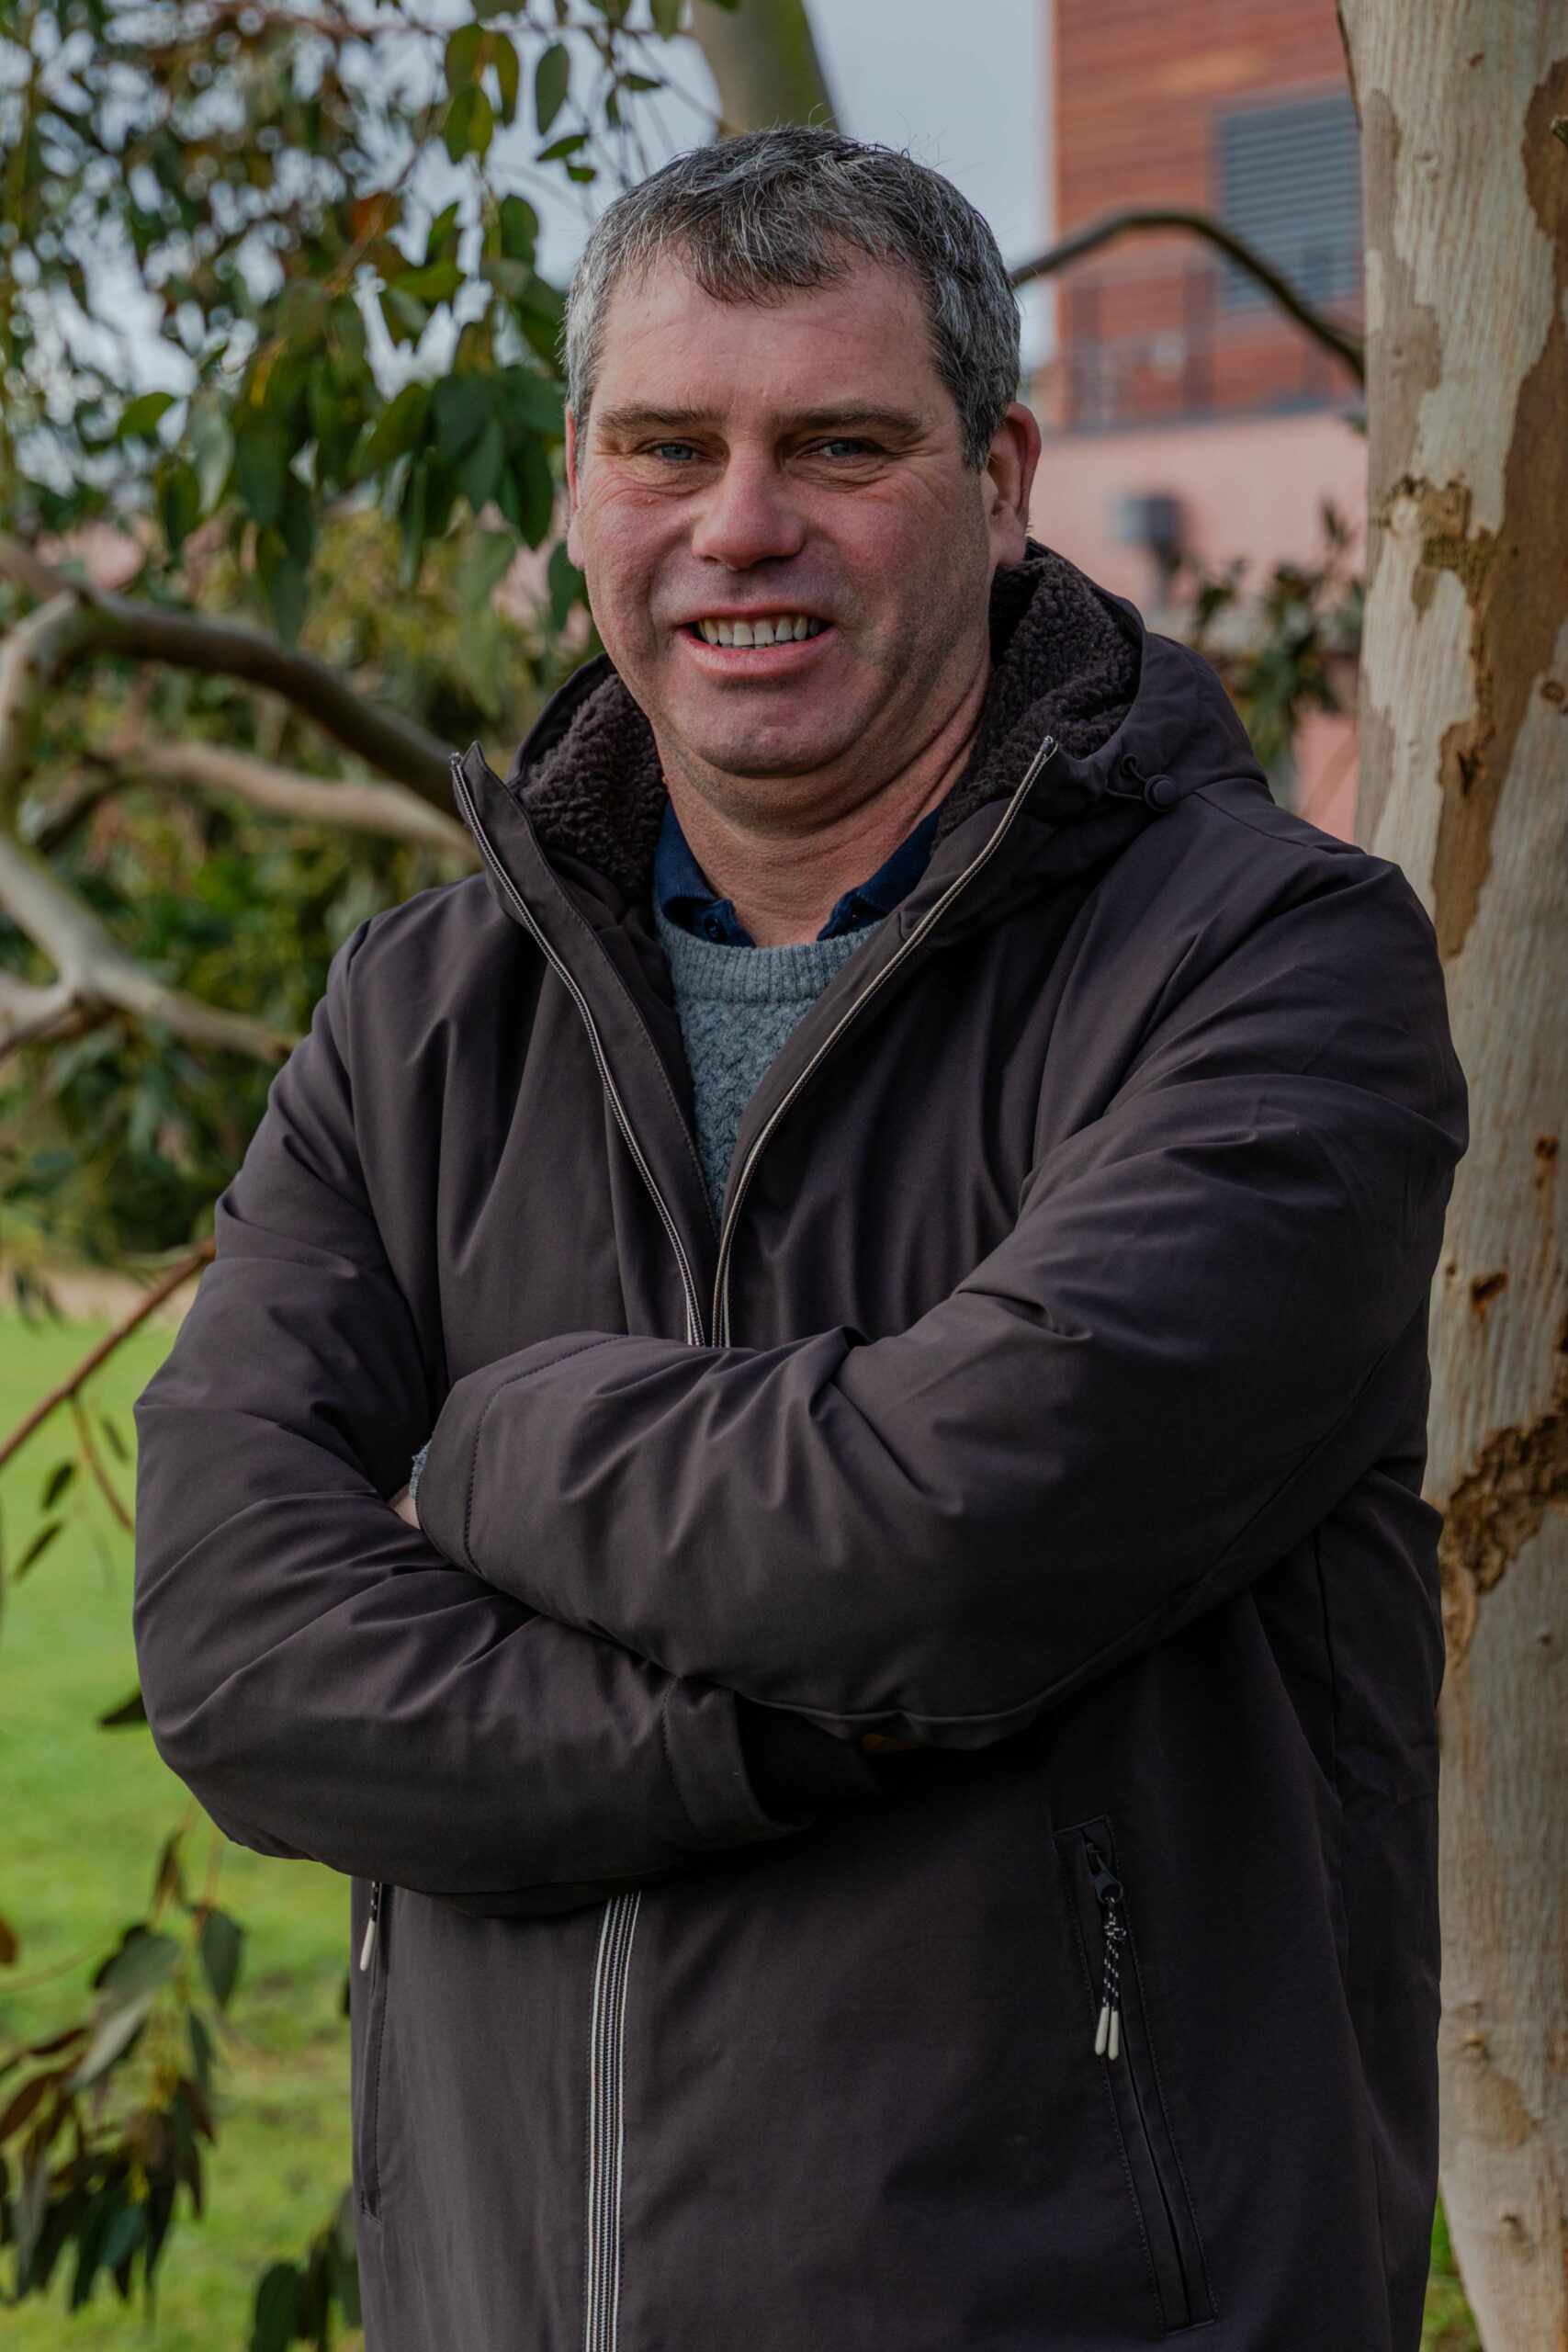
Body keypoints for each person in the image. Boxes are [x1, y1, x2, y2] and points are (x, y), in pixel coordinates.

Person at [133, 128, 1465, 2352]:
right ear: (576, 486)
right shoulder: (419, 1015)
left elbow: (950, 1527)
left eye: (837, 445)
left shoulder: (1262, 965)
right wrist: (794, 1728)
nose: (738, 524)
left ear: (1000, 481)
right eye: (667, 444)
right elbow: (235, 1644)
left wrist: (479, 1456)